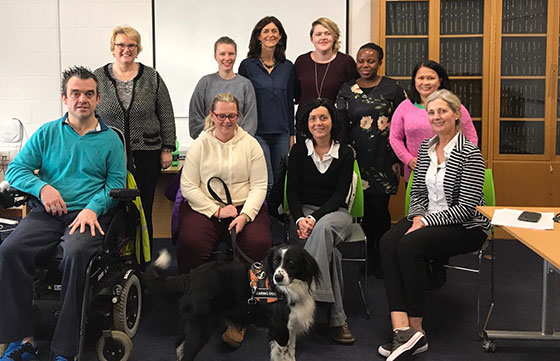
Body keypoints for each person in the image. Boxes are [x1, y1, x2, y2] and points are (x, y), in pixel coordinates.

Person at [0, 66, 126, 361]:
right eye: (76, 93)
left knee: (77, 254)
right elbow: (17, 170)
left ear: (97, 99)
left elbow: (116, 185)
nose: (82, 99)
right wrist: (43, 188)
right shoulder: (47, 133)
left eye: (89, 94)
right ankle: (23, 340)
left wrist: (94, 209)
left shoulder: (110, 141)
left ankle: (65, 349)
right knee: (10, 250)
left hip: (87, 216)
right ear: (64, 99)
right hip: (47, 213)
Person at [377, 90, 491, 361]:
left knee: (410, 245)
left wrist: (426, 221)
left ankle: (417, 329)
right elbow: (416, 193)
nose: (437, 116)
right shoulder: (427, 148)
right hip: (427, 217)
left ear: (456, 114)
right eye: (431, 112)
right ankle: (401, 329)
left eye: (442, 111)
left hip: (466, 226)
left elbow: (466, 208)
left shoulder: (470, 153)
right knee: (387, 242)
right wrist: (417, 216)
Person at [177, 93, 270, 347]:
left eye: (231, 115)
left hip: (244, 208)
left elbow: (260, 185)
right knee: (191, 242)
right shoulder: (200, 144)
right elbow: (188, 186)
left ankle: (239, 316)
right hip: (206, 207)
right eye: (221, 116)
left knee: (258, 243)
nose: (226, 121)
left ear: (238, 116)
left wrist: (245, 215)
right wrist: (215, 211)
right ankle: (196, 305)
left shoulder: (251, 144)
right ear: (212, 116)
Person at [94, 26, 176, 251]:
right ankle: (114, 254)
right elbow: (89, 113)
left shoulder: (152, 77)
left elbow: (166, 112)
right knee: (112, 205)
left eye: (131, 45)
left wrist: (167, 147)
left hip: (147, 153)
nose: (126, 50)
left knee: (143, 205)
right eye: (121, 45)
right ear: (113, 47)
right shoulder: (98, 77)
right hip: (110, 154)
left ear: (137, 48)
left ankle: (143, 257)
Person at [287, 98, 355, 344]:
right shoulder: (298, 150)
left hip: (336, 214)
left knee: (324, 228)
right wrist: (299, 220)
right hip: (303, 213)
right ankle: (338, 318)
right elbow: (292, 192)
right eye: (313, 118)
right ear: (307, 122)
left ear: (332, 120)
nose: (318, 123)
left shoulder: (345, 152)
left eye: (323, 117)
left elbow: (339, 196)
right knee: (333, 256)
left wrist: (313, 219)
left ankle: (307, 300)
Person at [336, 42, 406, 277]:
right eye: (361, 61)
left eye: (370, 61)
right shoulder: (346, 89)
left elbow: (400, 125)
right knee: (364, 209)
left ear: (379, 62)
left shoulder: (393, 89)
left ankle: (383, 253)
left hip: (384, 158)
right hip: (356, 159)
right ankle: (370, 257)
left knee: (380, 209)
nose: (365, 65)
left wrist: (399, 157)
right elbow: (341, 125)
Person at [389, 60, 478, 183]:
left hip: (451, 172)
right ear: (414, 80)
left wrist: (459, 160)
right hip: (417, 172)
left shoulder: (455, 106)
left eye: (431, 78)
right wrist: (408, 160)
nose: (425, 82)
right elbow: (395, 138)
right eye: (421, 78)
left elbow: (471, 138)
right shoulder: (405, 106)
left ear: (440, 80)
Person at [239, 16, 295, 192]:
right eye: (266, 31)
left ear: (280, 37)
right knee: (266, 181)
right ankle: (266, 218)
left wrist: (292, 134)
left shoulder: (288, 66)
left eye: (274, 31)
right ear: (258, 36)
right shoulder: (247, 66)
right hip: (257, 132)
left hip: (282, 134)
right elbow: (241, 101)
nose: (270, 35)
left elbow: (290, 100)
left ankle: (279, 218)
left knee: (281, 179)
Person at [294, 17, 357, 134]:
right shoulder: (301, 62)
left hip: (335, 125)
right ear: (311, 38)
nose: (323, 37)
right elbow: (297, 94)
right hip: (306, 123)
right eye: (318, 34)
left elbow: (354, 96)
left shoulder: (346, 62)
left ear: (334, 37)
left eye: (327, 34)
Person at [189, 36, 257, 139]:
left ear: (235, 55)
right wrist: (213, 139)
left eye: (231, 54)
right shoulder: (205, 83)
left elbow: (250, 122)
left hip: (238, 147)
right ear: (215, 56)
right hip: (209, 146)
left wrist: (236, 141)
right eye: (222, 54)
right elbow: (195, 121)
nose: (227, 58)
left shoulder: (245, 85)